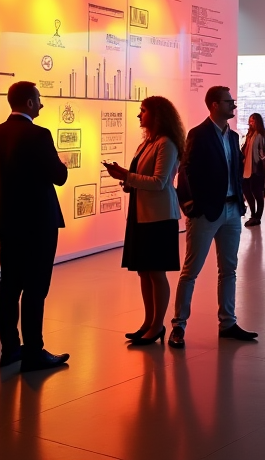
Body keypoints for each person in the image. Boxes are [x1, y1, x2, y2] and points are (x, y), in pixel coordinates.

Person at [0, 81, 69, 372]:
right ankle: (33, 352)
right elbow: (59, 176)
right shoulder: (39, 135)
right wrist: (63, 163)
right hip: (39, 224)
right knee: (36, 288)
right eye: (39, 99)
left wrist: (5, 199)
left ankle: (10, 350)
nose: (41, 104)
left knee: (10, 285)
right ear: (29, 103)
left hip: (7, 222)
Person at [169, 86, 257, 347]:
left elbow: (236, 172)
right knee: (191, 270)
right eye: (229, 101)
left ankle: (227, 322)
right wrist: (192, 205)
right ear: (214, 105)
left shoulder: (233, 137)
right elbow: (186, 171)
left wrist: (240, 203)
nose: (234, 106)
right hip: (207, 213)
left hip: (231, 211)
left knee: (228, 269)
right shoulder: (198, 134)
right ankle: (178, 326)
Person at [103, 96, 184, 347]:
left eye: (143, 110)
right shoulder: (147, 143)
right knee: (143, 272)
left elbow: (160, 182)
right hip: (141, 215)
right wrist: (126, 179)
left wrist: (128, 175)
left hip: (159, 217)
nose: (139, 115)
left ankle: (158, 324)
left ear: (158, 115)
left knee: (156, 273)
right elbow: (142, 179)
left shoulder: (166, 144)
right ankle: (149, 323)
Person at [242, 113, 265, 227]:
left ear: (258, 122)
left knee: (257, 193)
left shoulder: (263, 134)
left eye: (253, 121)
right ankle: (253, 215)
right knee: (247, 190)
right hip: (247, 168)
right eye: (250, 121)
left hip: (257, 167)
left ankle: (257, 217)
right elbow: (245, 148)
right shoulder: (250, 134)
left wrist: (262, 157)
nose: (251, 123)